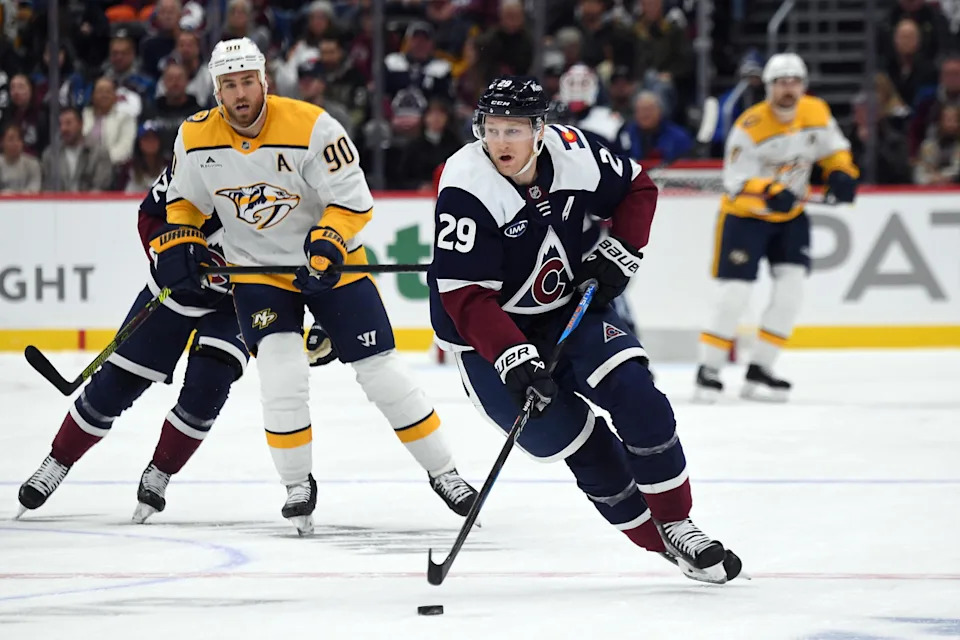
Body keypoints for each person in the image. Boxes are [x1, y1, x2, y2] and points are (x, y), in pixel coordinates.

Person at [152, 38, 478, 535]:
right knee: (281, 377)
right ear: (216, 91)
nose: (239, 94)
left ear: (265, 81)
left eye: (246, 82)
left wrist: (325, 246)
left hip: (333, 265)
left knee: (381, 373)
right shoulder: (195, 136)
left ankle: (445, 472)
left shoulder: (313, 126)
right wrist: (181, 242)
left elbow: (353, 202)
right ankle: (296, 485)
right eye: (228, 85)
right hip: (258, 272)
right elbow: (186, 203)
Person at [428, 76, 742, 585]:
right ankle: (656, 541)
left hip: (566, 310)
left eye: (514, 130)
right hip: (487, 338)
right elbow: (466, 297)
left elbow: (637, 187)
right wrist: (515, 357)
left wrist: (622, 251)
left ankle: (680, 522)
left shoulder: (575, 152)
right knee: (581, 444)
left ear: (540, 129)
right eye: (491, 129)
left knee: (638, 394)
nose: (500, 142)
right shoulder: (466, 183)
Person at [17, 166, 247, 524]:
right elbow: (151, 216)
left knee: (209, 387)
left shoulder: (285, 164)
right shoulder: (199, 151)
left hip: (236, 304)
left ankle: (161, 472)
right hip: (173, 292)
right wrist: (170, 256)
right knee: (113, 387)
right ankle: (57, 461)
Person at [694, 54, 859, 403]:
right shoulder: (749, 126)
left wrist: (842, 173)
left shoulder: (816, 112)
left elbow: (835, 151)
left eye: (794, 81)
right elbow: (735, 181)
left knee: (791, 294)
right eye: (781, 82)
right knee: (734, 296)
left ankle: (761, 369)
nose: (788, 89)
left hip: (791, 217)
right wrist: (768, 190)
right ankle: (709, 371)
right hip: (745, 217)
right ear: (768, 88)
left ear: (803, 84)